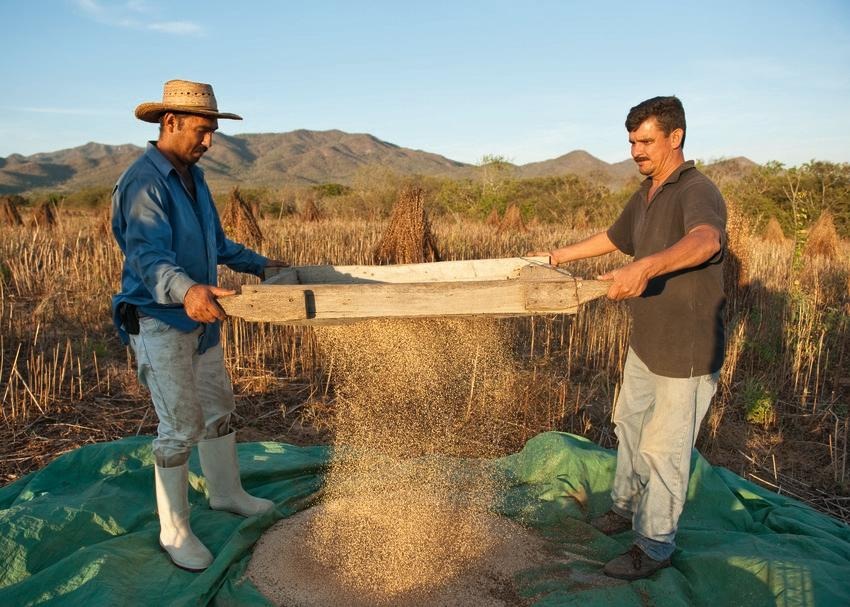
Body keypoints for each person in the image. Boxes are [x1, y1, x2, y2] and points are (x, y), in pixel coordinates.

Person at [530, 96, 727, 580]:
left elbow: (708, 240)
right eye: (631, 142)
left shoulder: (696, 190)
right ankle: (623, 508)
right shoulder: (647, 192)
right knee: (629, 425)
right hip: (647, 341)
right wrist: (554, 258)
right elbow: (615, 237)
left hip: (686, 349)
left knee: (665, 449)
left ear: (674, 137)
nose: (636, 150)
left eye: (645, 141)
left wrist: (647, 265)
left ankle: (654, 545)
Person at [111, 79, 288, 572]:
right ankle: (174, 529)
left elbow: (218, 244)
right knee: (179, 426)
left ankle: (227, 493)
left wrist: (261, 264)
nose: (209, 141)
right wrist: (186, 290)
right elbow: (147, 256)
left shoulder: (194, 177)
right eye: (202, 131)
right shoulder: (143, 182)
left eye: (213, 132)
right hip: (162, 317)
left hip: (202, 318)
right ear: (170, 123)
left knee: (219, 408)